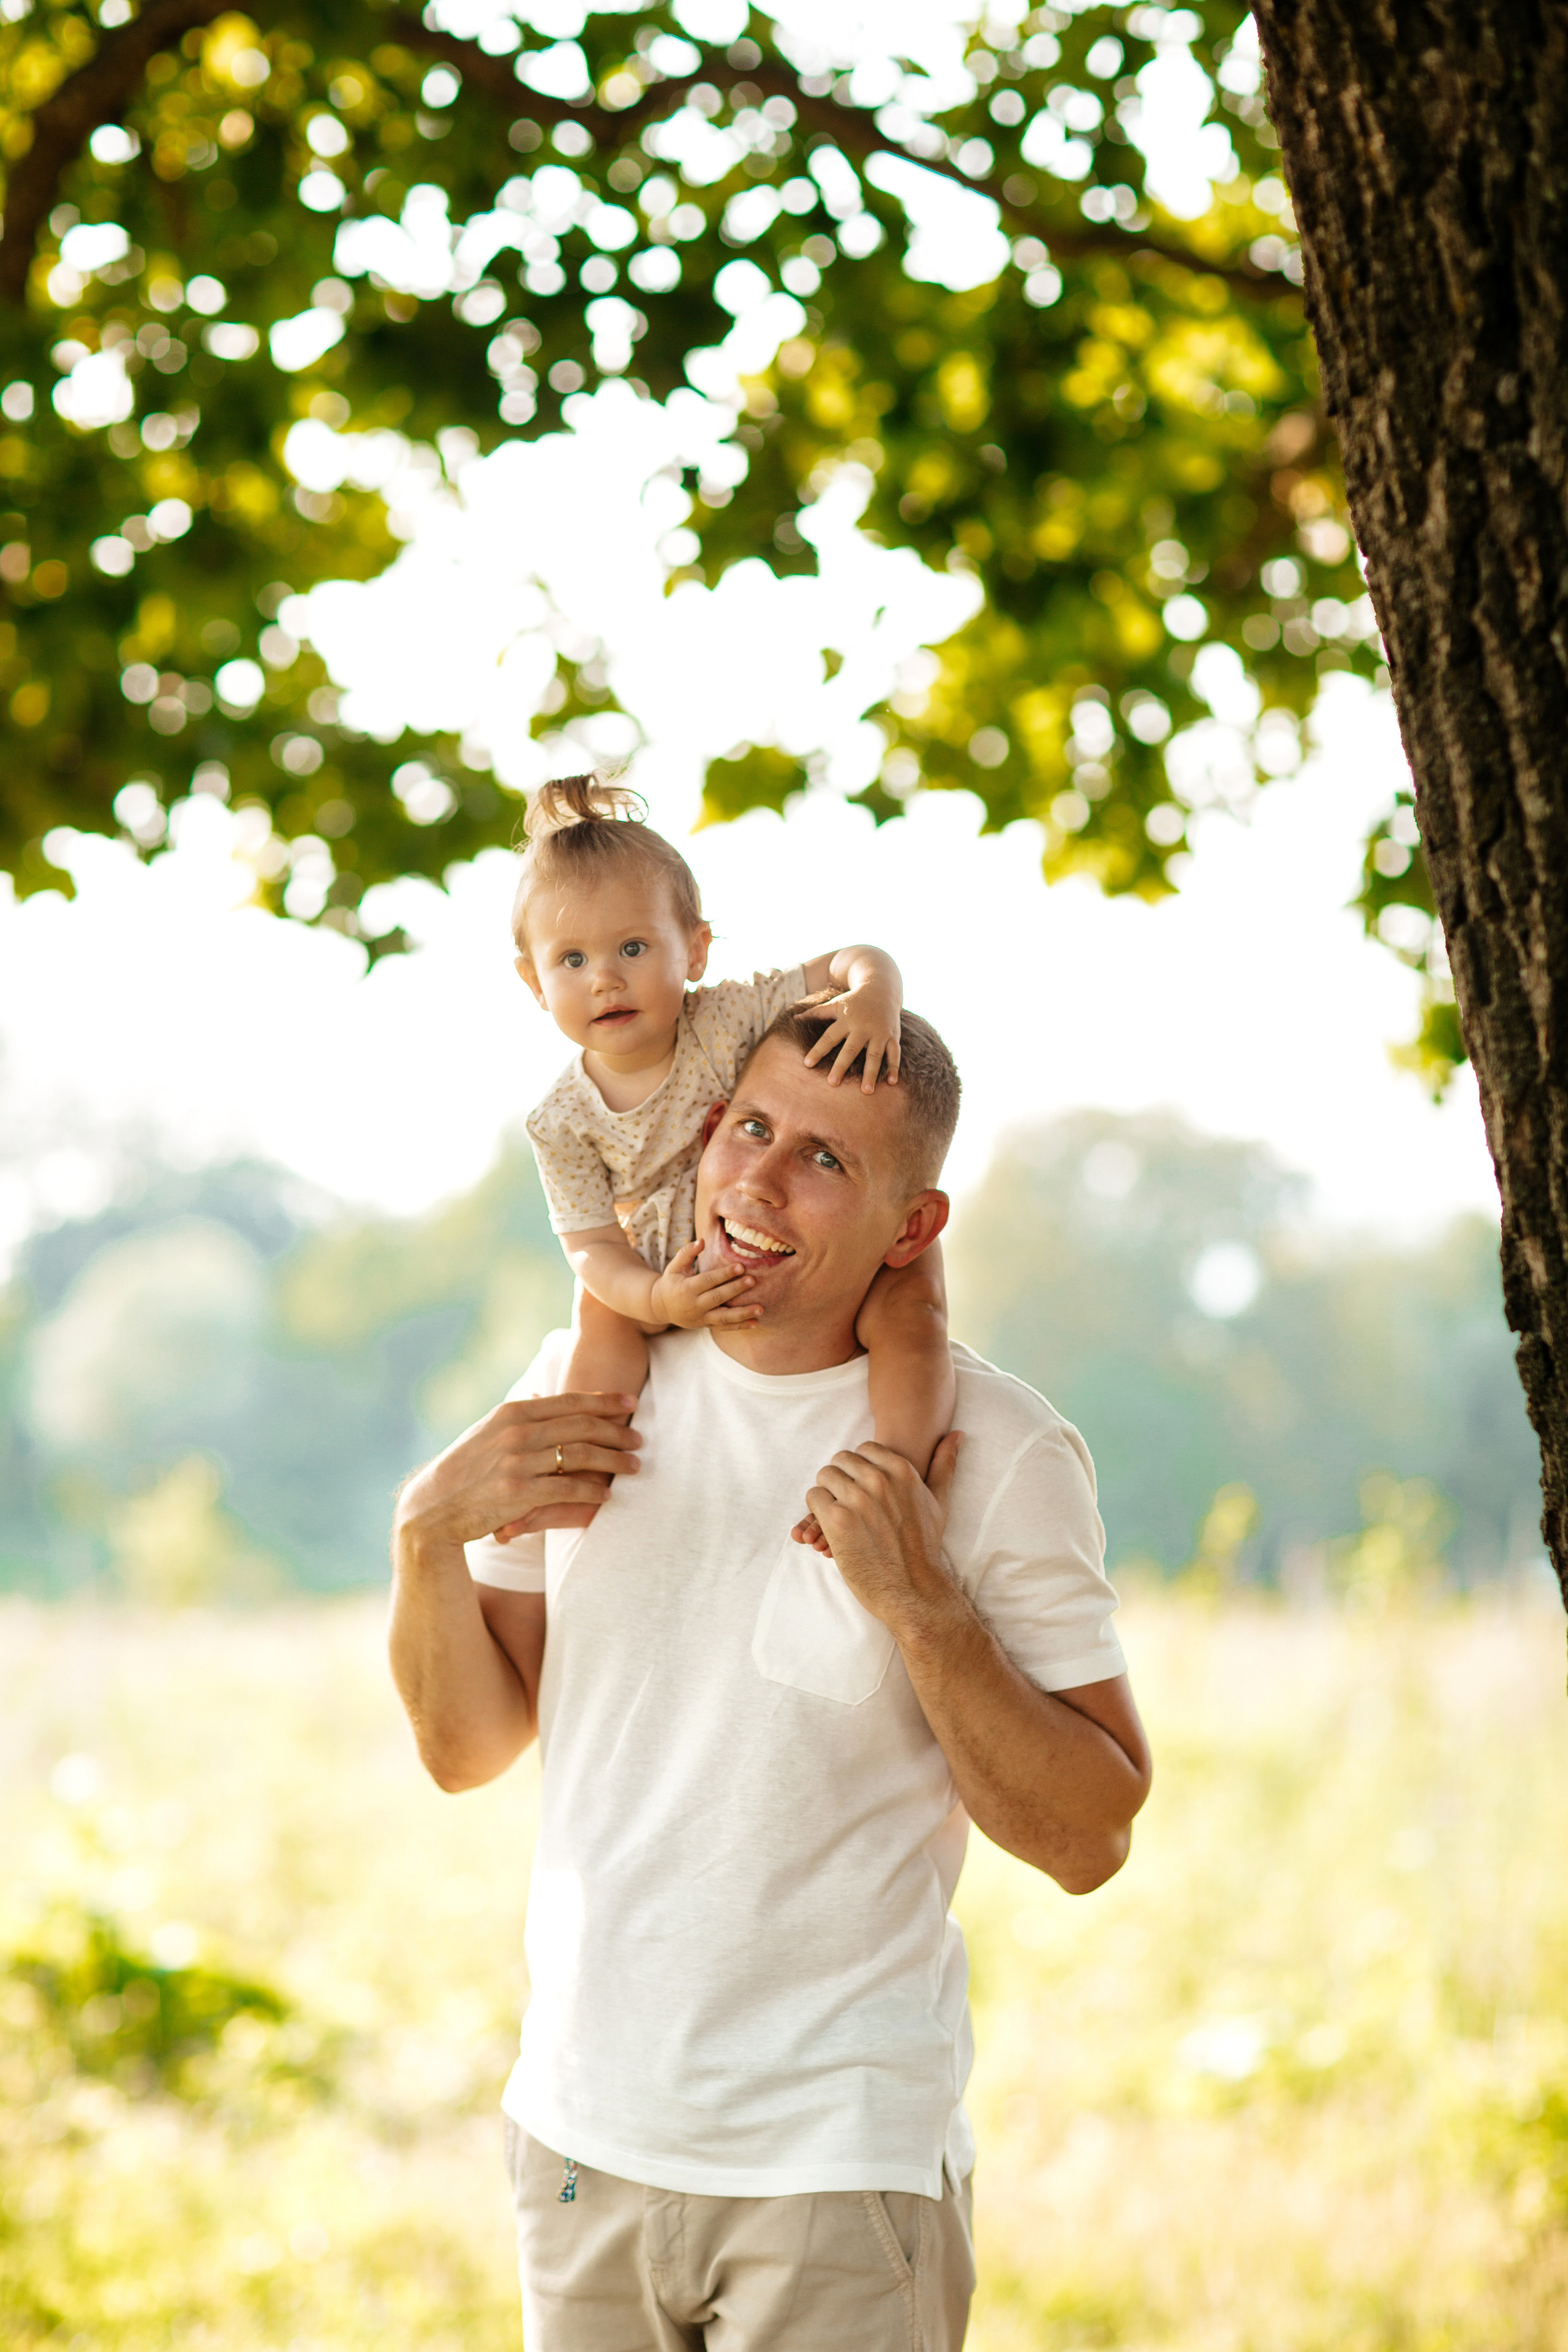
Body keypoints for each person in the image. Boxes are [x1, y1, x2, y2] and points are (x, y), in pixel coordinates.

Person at [389, 999, 1152, 2351]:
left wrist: (921, 1605)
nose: (756, 1179)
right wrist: (424, 1536)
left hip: (837, 2161)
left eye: (825, 1158)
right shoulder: (583, 1389)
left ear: (912, 1228)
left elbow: (1089, 1837)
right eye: (749, 1127)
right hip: (580, 2136)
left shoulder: (1001, 1447)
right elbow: (467, 1749)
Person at [513, 773, 951, 1542]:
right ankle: (577, 1481)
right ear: (534, 983)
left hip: (790, 1223)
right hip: (661, 1256)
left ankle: (897, 1472)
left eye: (633, 947)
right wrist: (656, 1300)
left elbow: (851, 959)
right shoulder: (561, 1121)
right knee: (600, 1319)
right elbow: (590, 1245)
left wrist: (875, 995)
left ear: (695, 950)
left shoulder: (726, 1018)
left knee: (911, 1308)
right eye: (571, 960)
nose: (605, 978)